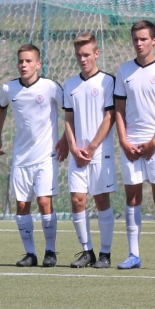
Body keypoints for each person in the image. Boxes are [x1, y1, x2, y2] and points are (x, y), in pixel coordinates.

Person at [0, 44, 67, 267]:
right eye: (20, 61)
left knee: (44, 202)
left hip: (46, 156)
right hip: (21, 158)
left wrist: (65, 138)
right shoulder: (9, 88)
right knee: (22, 205)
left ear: (38, 64)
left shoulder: (50, 87)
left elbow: (69, 111)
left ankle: (50, 251)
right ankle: (30, 254)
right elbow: (1, 108)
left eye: (28, 61)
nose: (23, 65)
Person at [113, 20, 155, 270]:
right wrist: (123, 140)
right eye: (135, 39)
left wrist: (153, 142)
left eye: (143, 39)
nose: (139, 43)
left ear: (154, 40)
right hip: (131, 145)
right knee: (132, 197)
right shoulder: (123, 71)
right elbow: (118, 110)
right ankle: (133, 254)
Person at [62, 33, 117, 268]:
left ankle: (105, 253)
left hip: (100, 152)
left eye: (86, 54)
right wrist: (73, 147)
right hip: (78, 154)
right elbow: (68, 119)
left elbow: (110, 116)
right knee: (77, 200)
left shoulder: (108, 81)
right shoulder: (70, 85)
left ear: (96, 53)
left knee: (101, 199)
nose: (82, 59)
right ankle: (87, 252)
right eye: (78, 55)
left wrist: (93, 146)